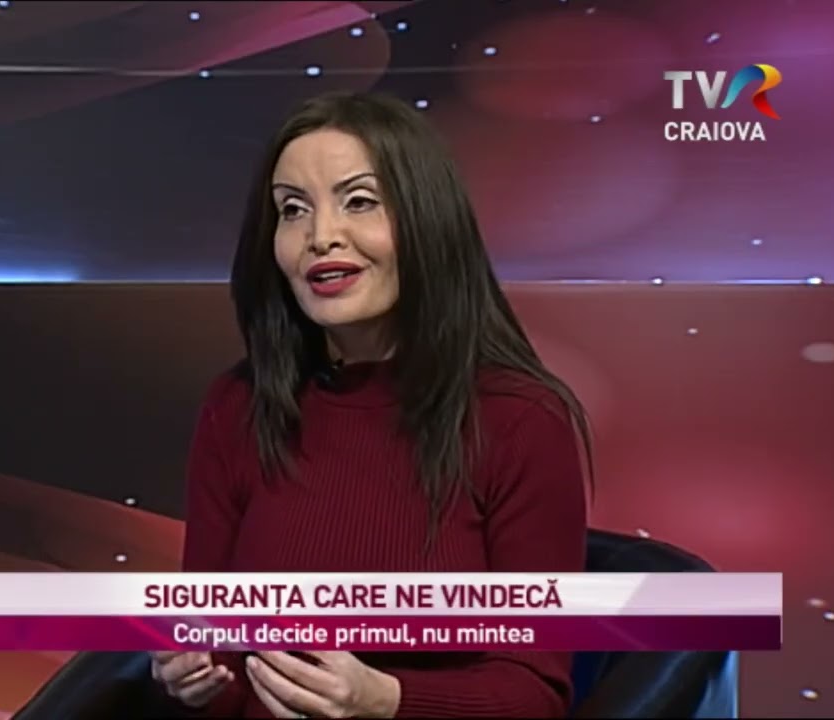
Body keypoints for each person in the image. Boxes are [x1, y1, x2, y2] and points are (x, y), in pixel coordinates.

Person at [150, 91, 593, 718]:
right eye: (293, 209)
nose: (321, 237)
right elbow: (216, 647)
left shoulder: (520, 419)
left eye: (359, 201)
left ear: (427, 220)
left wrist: (383, 700)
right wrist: (194, 675)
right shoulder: (239, 405)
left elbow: (535, 694)